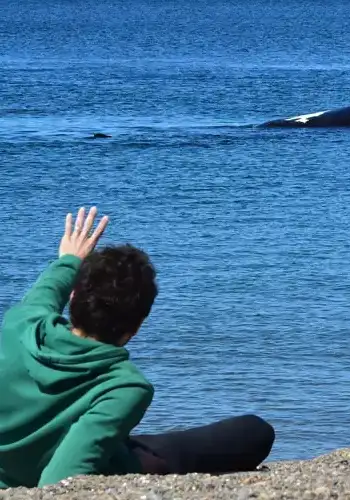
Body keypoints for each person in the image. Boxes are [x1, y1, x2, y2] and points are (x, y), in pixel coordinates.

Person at [0, 207, 275, 489]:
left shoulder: (21, 324)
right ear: (138, 326)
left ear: (73, 298)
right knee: (254, 431)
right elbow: (59, 480)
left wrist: (69, 260)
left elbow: (46, 291)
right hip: (111, 465)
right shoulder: (124, 385)